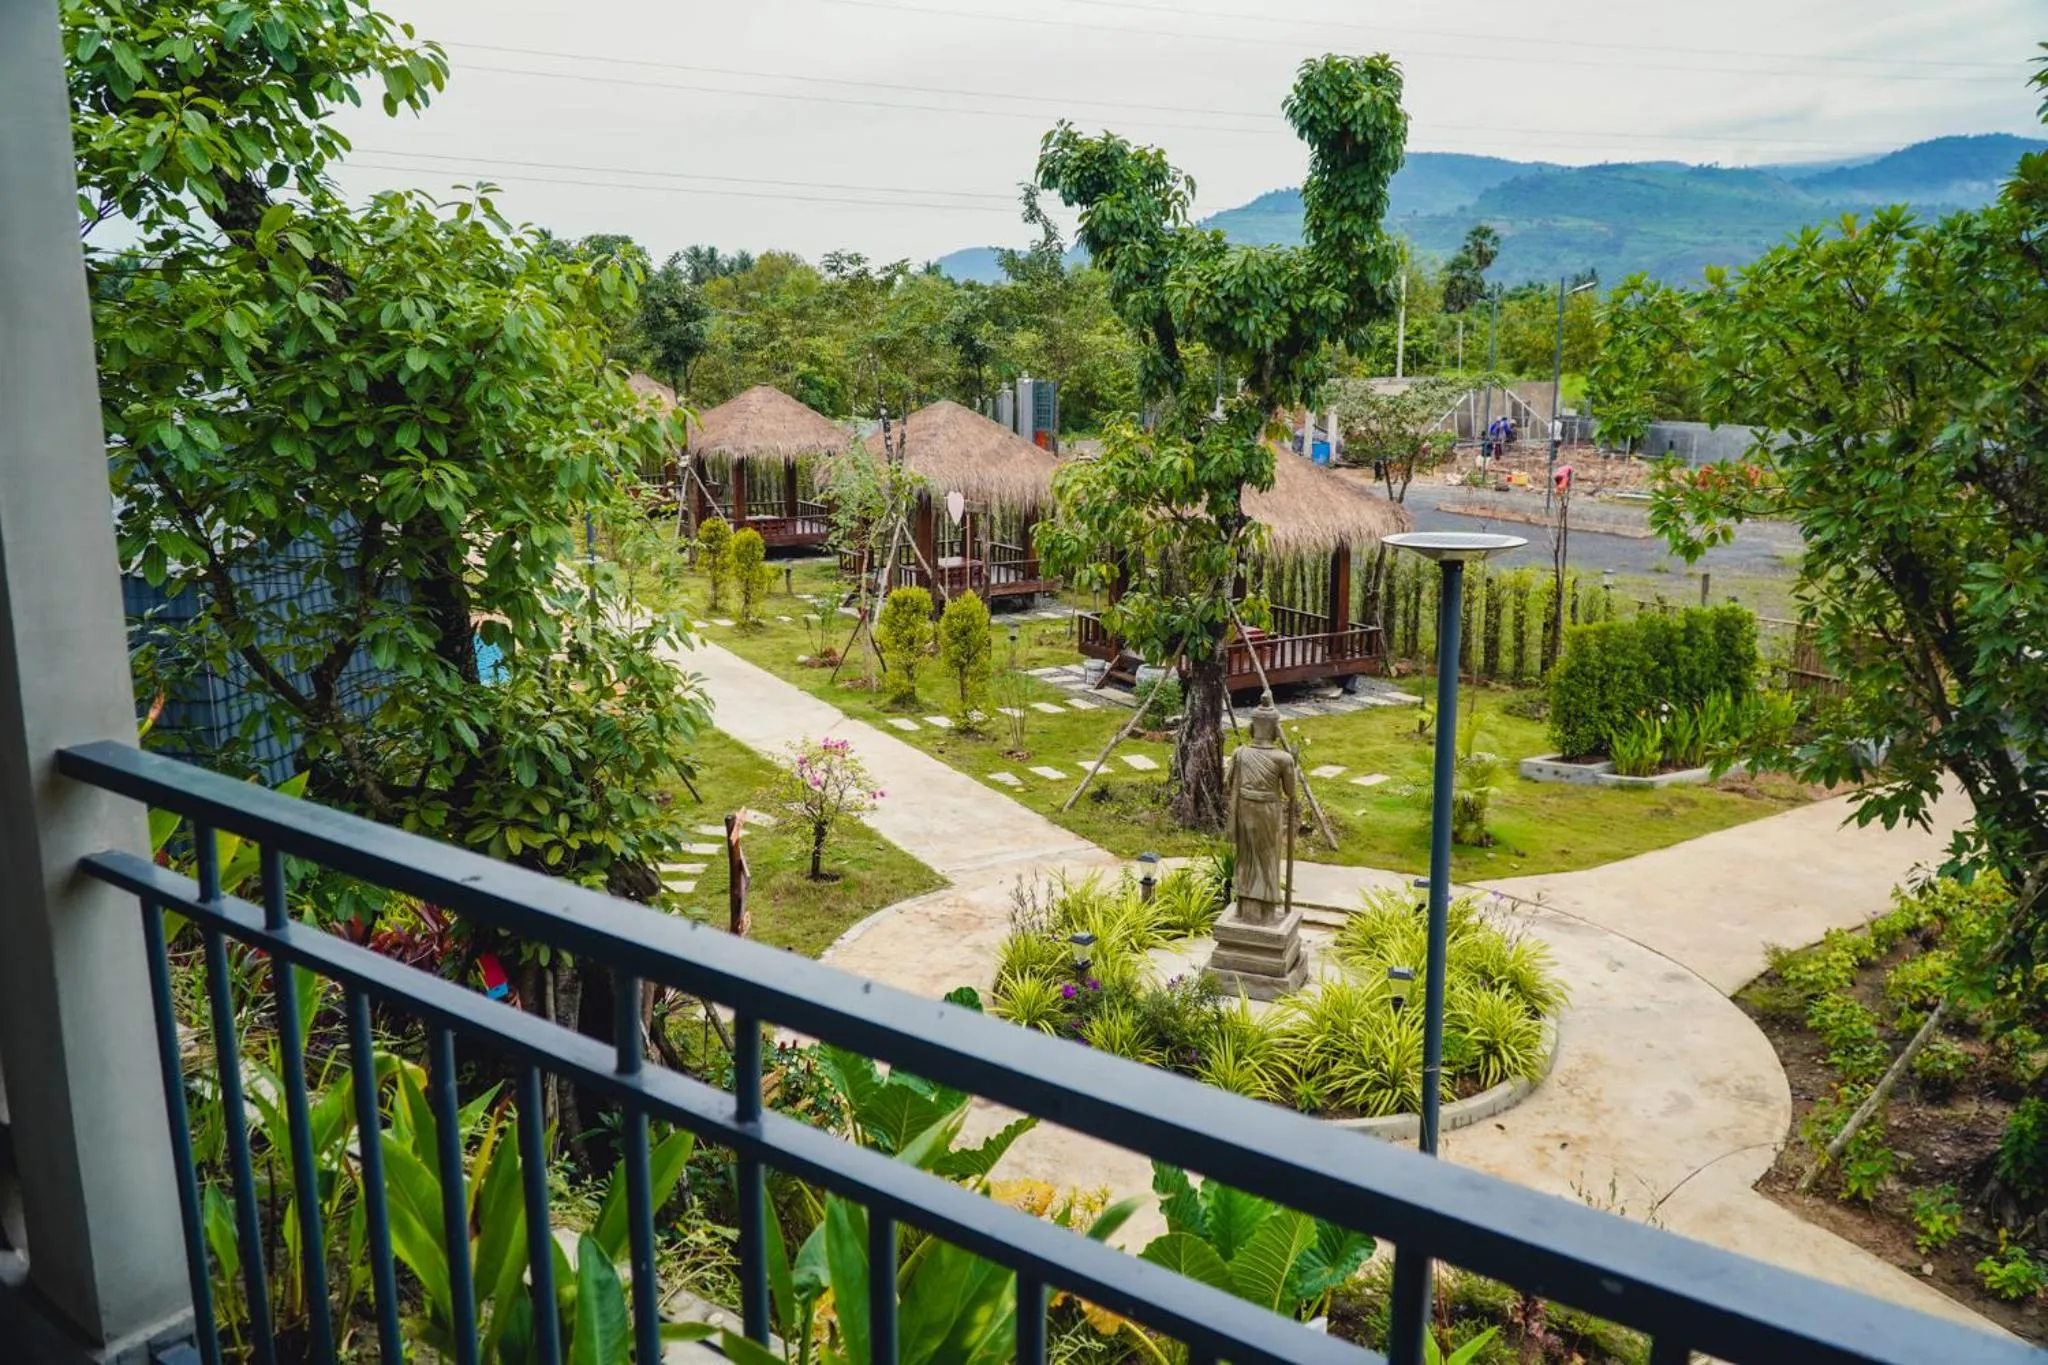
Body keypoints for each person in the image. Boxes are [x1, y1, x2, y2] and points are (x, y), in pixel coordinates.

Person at [1223, 697, 1299, 926]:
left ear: (1251, 728)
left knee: (1246, 856)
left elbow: (1228, 782)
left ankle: (1246, 908)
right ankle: (1264, 911)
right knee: (1267, 857)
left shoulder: (1240, 753)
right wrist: (1293, 764)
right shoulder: (1282, 758)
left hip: (1245, 809)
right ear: (1276, 731)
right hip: (1267, 810)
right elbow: (1290, 791)